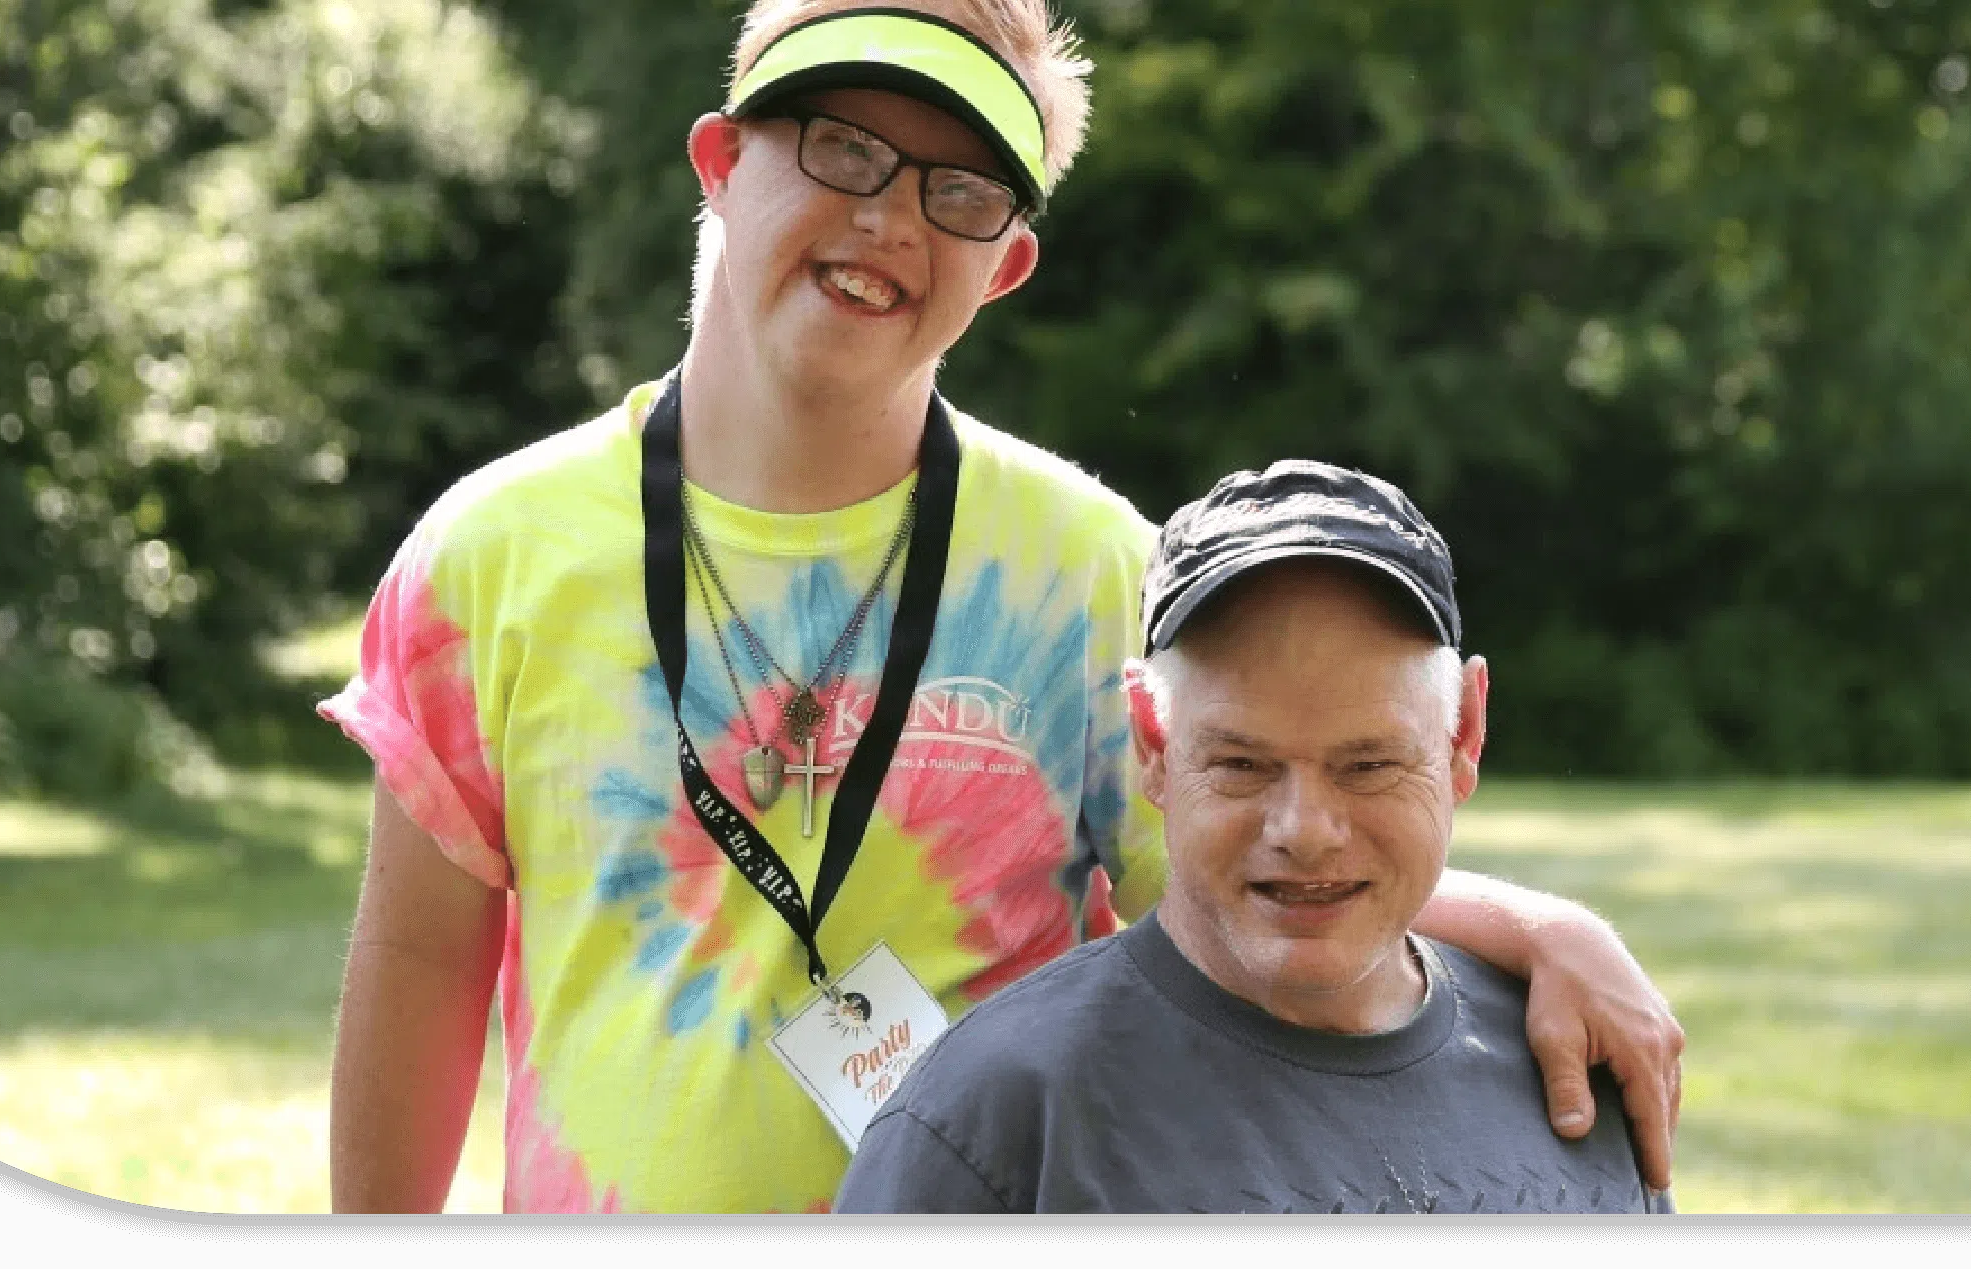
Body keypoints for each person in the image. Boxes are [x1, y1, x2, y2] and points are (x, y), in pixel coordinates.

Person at [320, 0, 1683, 1214]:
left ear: (1008, 264)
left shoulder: (1088, 571)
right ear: (723, 163)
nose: (889, 217)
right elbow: (419, 972)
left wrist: (1548, 930)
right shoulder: (490, 555)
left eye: (961, 189)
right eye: (842, 147)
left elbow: (1259, 865)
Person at [836, 462, 1672, 1213]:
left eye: (1368, 764)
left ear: (1464, 737)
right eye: (1241, 763)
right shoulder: (1004, 1116)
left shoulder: (1566, 1060)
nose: (1304, 831)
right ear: (1153, 745)